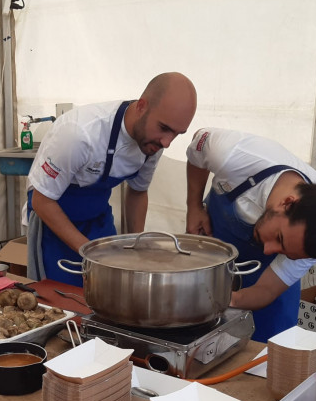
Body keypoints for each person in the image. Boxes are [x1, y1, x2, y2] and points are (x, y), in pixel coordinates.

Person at [185, 127, 316, 342]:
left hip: (266, 278)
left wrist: (226, 300)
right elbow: (198, 146)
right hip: (215, 248)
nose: (268, 250)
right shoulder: (233, 153)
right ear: (287, 203)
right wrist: (194, 206)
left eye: (287, 253)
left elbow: (267, 289)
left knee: (268, 351)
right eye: (279, 238)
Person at [25, 72, 197, 286]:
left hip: (98, 221)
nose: (167, 142)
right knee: (62, 301)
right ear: (141, 106)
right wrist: (90, 253)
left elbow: (137, 191)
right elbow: (42, 201)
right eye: (164, 128)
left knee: (110, 291)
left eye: (177, 134)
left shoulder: (154, 144)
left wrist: (136, 247)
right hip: (54, 224)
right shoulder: (78, 134)